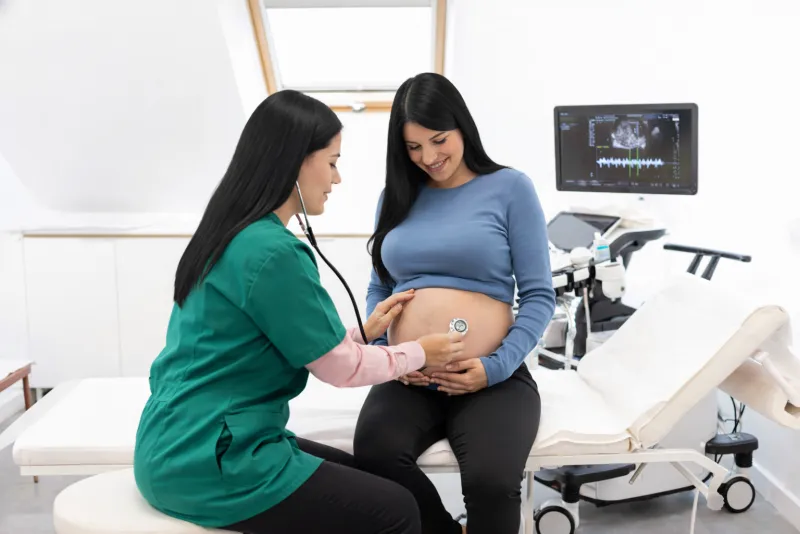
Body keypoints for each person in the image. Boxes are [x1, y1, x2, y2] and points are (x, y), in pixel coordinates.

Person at [132, 89, 467, 534]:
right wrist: (420, 352)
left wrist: (363, 334)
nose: (337, 178)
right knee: (396, 511)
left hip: (181, 442)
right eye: (332, 161)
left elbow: (276, 340)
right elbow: (341, 371)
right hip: (213, 462)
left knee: (378, 476)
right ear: (295, 163)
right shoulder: (273, 253)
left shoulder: (231, 233)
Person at [353, 73, 557, 534]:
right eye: (412, 147)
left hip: (491, 377)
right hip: (407, 375)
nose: (428, 157)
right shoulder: (396, 196)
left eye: (438, 140)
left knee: (490, 480)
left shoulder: (510, 189)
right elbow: (379, 287)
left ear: (462, 126)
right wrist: (391, 351)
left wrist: (497, 365)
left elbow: (541, 296)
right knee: (374, 455)